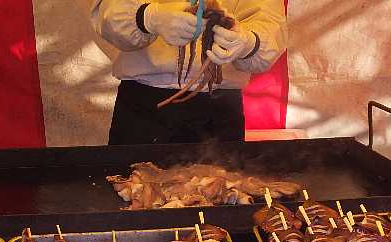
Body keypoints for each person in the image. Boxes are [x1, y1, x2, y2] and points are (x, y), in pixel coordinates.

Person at [91, 0, 287, 145]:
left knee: (221, 186)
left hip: (220, 109)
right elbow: (108, 11)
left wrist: (249, 43)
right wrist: (147, 17)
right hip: (143, 108)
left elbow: (270, 23)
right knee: (131, 183)